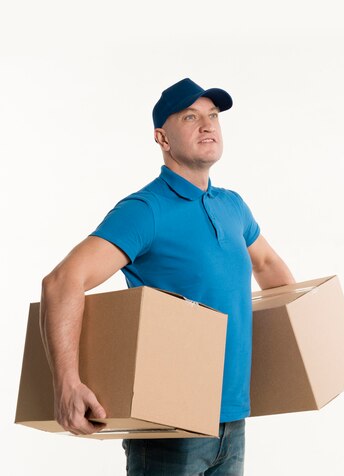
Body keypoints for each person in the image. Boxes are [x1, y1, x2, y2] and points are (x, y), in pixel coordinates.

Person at [39, 78, 295, 475]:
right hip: (168, 425)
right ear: (162, 137)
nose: (207, 125)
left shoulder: (232, 206)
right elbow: (61, 282)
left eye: (213, 116)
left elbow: (268, 268)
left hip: (233, 418)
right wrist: (67, 384)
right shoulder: (146, 210)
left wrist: (295, 353)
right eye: (191, 117)